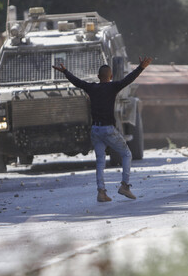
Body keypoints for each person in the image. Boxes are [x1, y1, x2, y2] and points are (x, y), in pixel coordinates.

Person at [53, 57, 152, 202]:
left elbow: (77, 82)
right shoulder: (113, 87)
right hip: (108, 129)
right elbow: (129, 79)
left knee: (100, 161)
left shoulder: (91, 87)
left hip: (95, 130)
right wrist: (141, 68)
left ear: (98, 77)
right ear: (111, 77)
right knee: (126, 154)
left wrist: (65, 71)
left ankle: (101, 192)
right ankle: (125, 186)